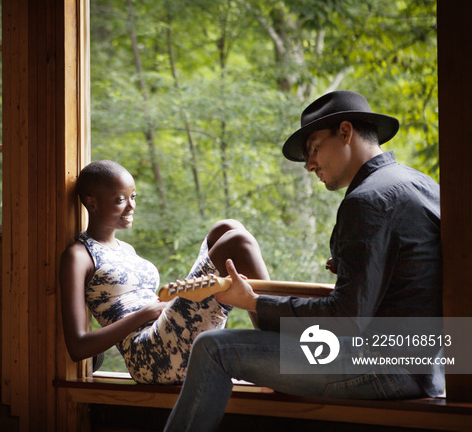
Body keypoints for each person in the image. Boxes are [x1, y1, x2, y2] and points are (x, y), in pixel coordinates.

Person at [164, 90, 443, 431]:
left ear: (345, 132)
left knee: (212, 347)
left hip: (388, 366)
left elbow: (346, 318)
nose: (310, 164)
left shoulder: (367, 200)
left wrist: (252, 302)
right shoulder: (422, 183)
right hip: (432, 365)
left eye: (313, 148)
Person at [59, 160, 270, 384]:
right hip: (148, 355)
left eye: (134, 196)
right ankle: (284, 352)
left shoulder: (127, 250)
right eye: (120, 199)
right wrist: (147, 312)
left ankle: (278, 345)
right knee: (237, 240)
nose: (131, 206)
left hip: (164, 329)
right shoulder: (79, 255)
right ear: (92, 203)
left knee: (227, 228)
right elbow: (78, 346)